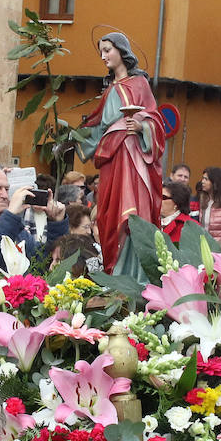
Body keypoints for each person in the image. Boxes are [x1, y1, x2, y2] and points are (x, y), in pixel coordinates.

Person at [73, 32, 164, 271]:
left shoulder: (139, 84)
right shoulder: (110, 89)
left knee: (135, 211)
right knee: (110, 213)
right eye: (101, 52)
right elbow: (98, 126)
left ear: (122, 51)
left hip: (133, 157)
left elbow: (155, 119)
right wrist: (73, 138)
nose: (103, 56)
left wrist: (142, 126)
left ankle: (137, 272)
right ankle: (116, 269)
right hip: (112, 159)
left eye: (107, 50)